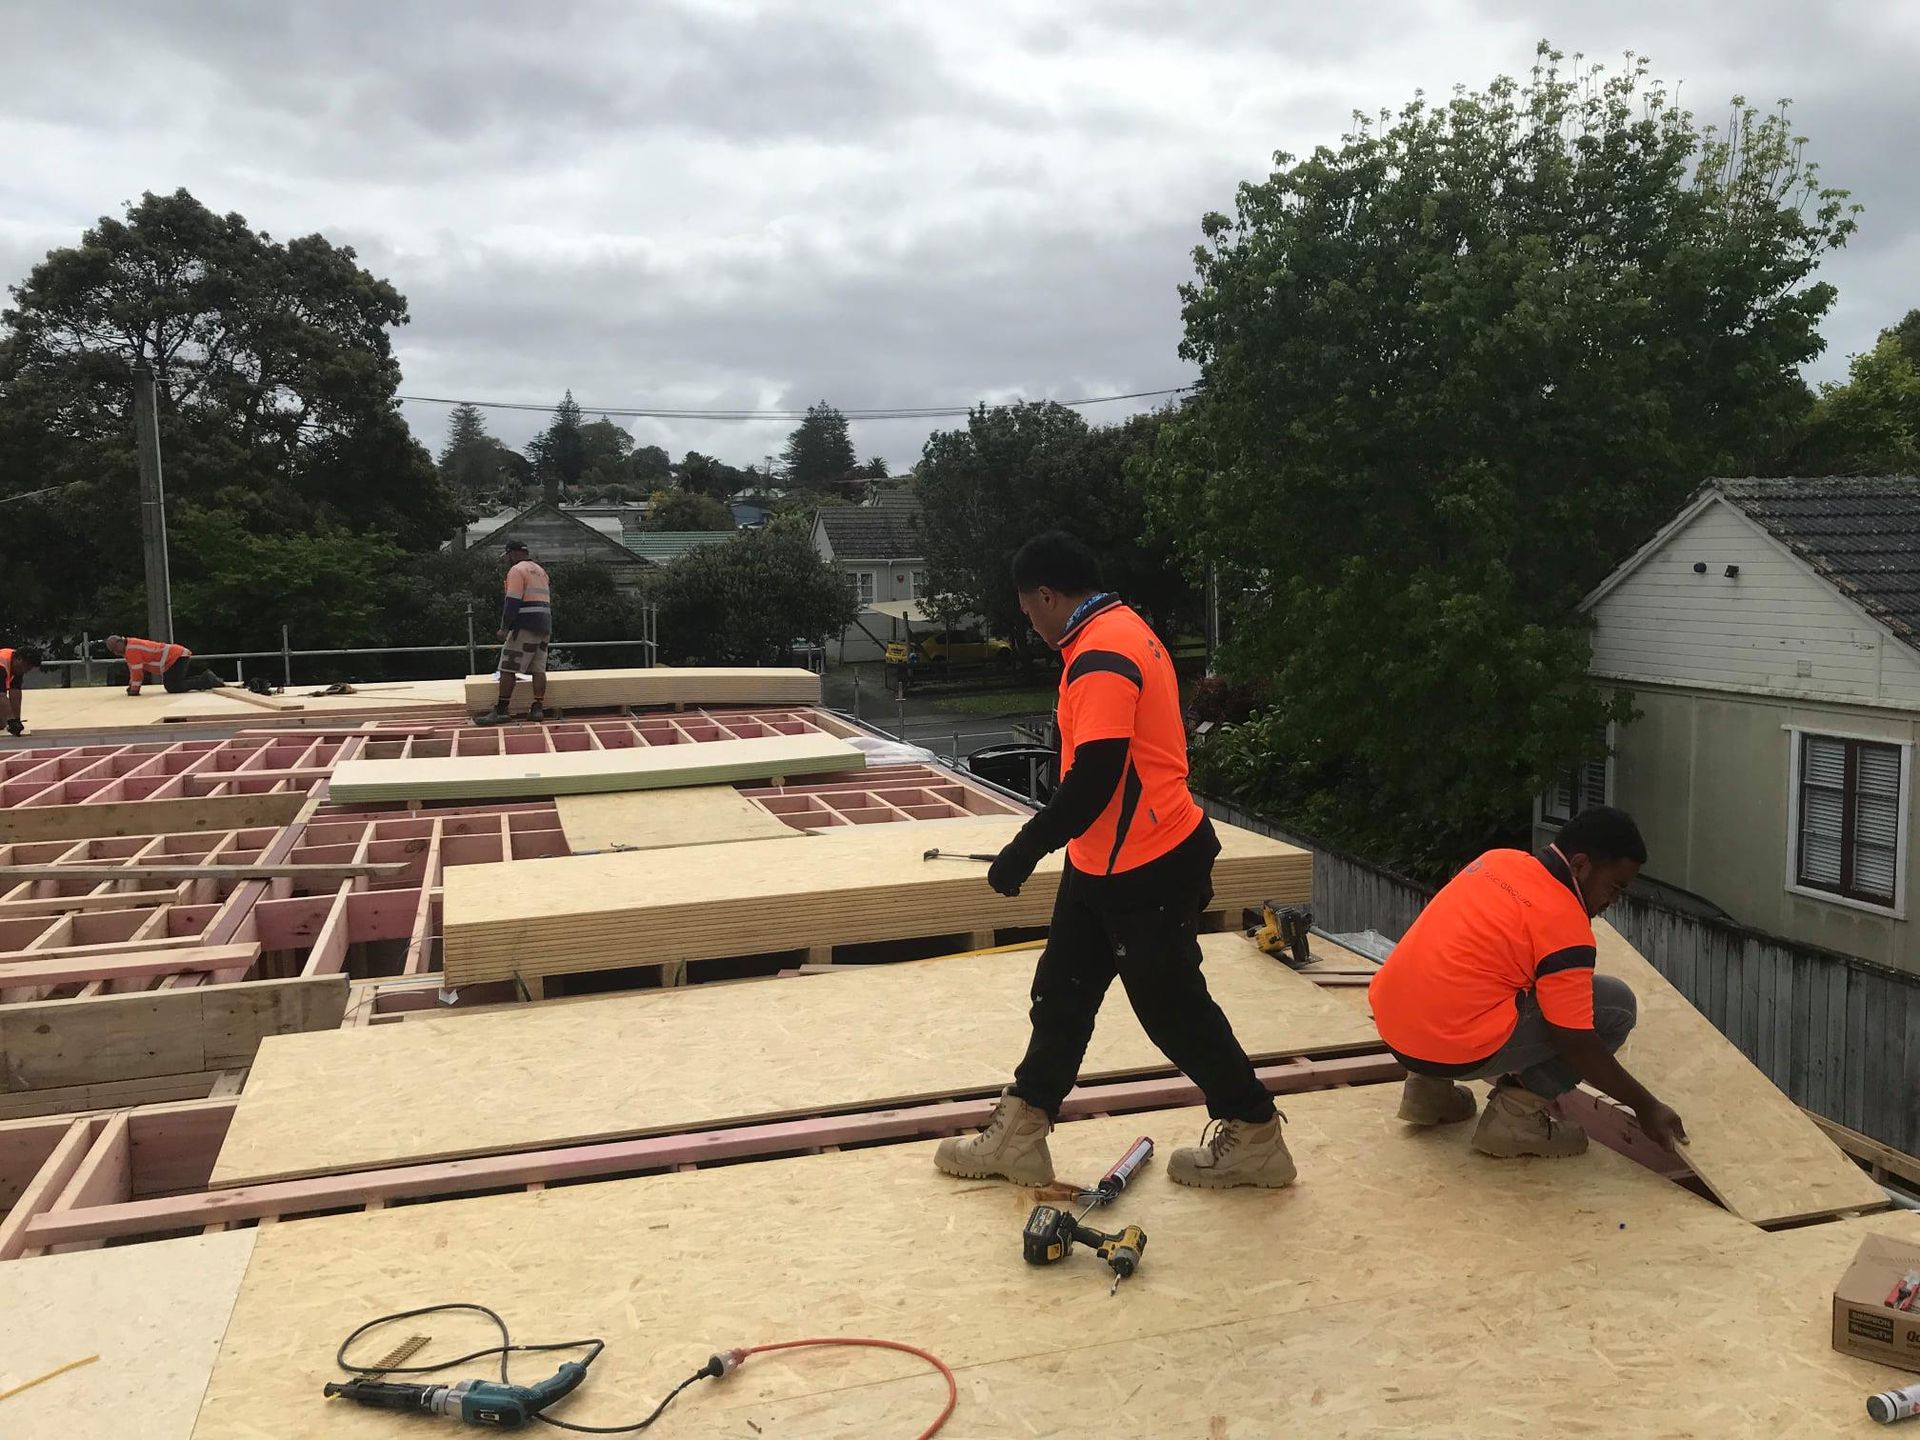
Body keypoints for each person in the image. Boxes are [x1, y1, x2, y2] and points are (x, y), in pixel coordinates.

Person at [935, 530, 1295, 1191]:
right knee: (1062, 995)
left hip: (1146, 865)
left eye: (1027, 611)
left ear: (1046, 595)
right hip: (1105, 861)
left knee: (1173, 1010)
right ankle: (1021, 1135)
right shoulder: (1119, 627)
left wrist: (1023, 849)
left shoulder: (1102, 654)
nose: (1030, 625)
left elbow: (1095, 779)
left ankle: (1256, 1135)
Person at [1367, 806, 1688, 1158]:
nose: (1612, 901)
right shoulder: (1565, 925)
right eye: (1613, 887)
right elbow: (1576, 1042)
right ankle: (1514, 1120)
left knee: (1474, 973)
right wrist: (1645, 1105)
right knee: (1615, 1005)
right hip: (1452, 1046)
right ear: (1580, 866)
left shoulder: (1497, 861)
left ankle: (1427, 1093)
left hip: (1396, 1027)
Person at [476, 538, 553, 725]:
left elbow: (512, 601)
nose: (507, 560)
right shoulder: (541, 571)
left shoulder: (517, 571)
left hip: (524, 624)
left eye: (508, 555)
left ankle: (502, 710)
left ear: (514, 554)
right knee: (538, 668)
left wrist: (504, 628)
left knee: (507, 667)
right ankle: (537, 708)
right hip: (544, 625)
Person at [105, 635, 219, 694]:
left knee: (173, 686)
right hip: (175, 657)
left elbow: (137, 674)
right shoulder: (130, 647)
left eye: (115, 649)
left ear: (120, 642)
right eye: (113, 651)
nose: (116, 652)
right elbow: (133, 671)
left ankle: (206, 680)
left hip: (175, 657)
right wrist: (132, 686)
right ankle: (204, 679)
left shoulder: (131, 650)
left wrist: (134, 690)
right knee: (173, 684)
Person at [0, 646, 43, 735]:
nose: (26, 671)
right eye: (27, 668)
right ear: (19, 660)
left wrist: (16, 720)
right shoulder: (1, 666)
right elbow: (1, 696)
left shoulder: (16, 664)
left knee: (2, 721)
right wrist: (11, 721)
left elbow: (15, 692)